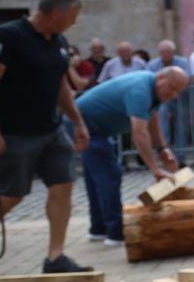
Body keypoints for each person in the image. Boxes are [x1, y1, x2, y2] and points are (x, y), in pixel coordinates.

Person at [0, 0, 93, 273]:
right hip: (13, 132)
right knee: (12, 196)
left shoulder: (59, 41)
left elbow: (60, 85)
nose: (74, 23)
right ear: (56, 13)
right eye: (72, 17)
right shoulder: (9, 36)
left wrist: (77, 121)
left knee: (63, 185)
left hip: (51, 131)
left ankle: (55, 257)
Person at [74, 67, 186, 244]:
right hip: (84, 125)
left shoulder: (154, 89)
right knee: (110, 175)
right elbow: (140, 132)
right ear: (161, 78)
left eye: (178, 91)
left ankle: (99, 228)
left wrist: (163, 149)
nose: (174, 95)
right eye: (173, 88)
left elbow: (152, 119)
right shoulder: (139, 90)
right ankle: (116, 233)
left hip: (93, 127)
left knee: (96, 177)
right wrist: (155, 169)